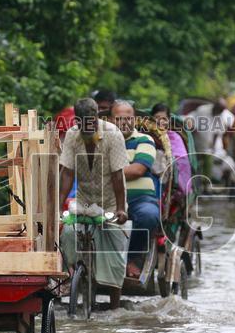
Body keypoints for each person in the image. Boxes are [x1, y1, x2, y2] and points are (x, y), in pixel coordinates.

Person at [59, 98, 130, 309]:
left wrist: (120, 208)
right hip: (84, 201)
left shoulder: (113, 134)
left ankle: (115, 305)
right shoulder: (72, 136)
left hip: (109, 201)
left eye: (90, 122)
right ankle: (74, 276)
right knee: (68, 234)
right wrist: (57, 205)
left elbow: (118, 176)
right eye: (82, 123)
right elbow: (67, 174)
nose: (87, 127)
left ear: (97, 117)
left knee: (114, 248)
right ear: (78, 122)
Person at [110, 100, 161, 279]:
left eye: (128, 118)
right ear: (111, 120)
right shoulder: (102, 141)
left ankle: (131, 259)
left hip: (140, 199)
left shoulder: (144, 139)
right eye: (119, 118)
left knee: (149, 215)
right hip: (108, 198)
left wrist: (107, 171)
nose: (124, 122)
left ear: (135, 119)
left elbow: (138, 170)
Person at [151, 103, 191, 198]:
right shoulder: (146, 135)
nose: (160, 121)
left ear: (168, 120)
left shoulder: (174, 138)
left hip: (169, 177)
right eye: (157, 117)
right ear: (152, 119)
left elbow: (182, 161)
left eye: (164, 118)